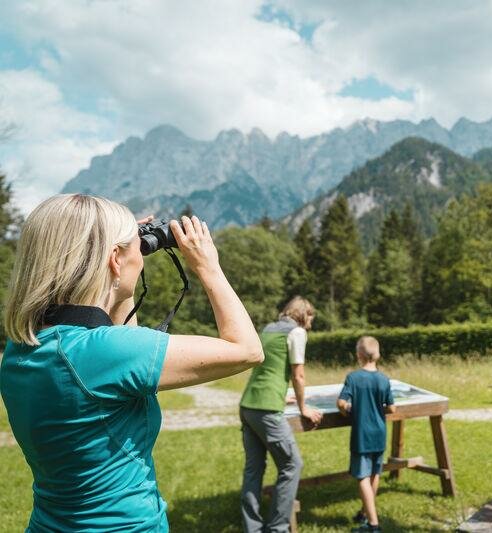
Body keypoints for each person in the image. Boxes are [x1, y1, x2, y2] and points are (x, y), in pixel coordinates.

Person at [0, 194, 264, 531]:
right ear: (113, 259)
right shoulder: (103, 353)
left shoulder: (24, 348)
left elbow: (115, 342)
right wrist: (207, 266)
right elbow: (247, 349)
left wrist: (122, 264)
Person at [239, 296, 323, 533]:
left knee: (253, 469)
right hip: (267, 410)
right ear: (304, 314)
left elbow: (267, 368)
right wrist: (303, 407)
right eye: (311, 318)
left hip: (248, 405)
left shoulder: (268, 329)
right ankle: (277, 527)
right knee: (292, 464)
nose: (311, 323)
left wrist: (282, 395)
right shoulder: (296, 333)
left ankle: (252, 528)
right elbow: (298, 375)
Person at [337, 336, 396, 533]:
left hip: (362, 435)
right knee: (374, 473)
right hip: (379, 433)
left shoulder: (353, 378)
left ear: (358, 355)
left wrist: (347, 409)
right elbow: (392, 408)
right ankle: (364, 513)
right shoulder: (383, 379)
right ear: (377, 355)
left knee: (362, 476)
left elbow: (341, 403)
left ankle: (373, 525)